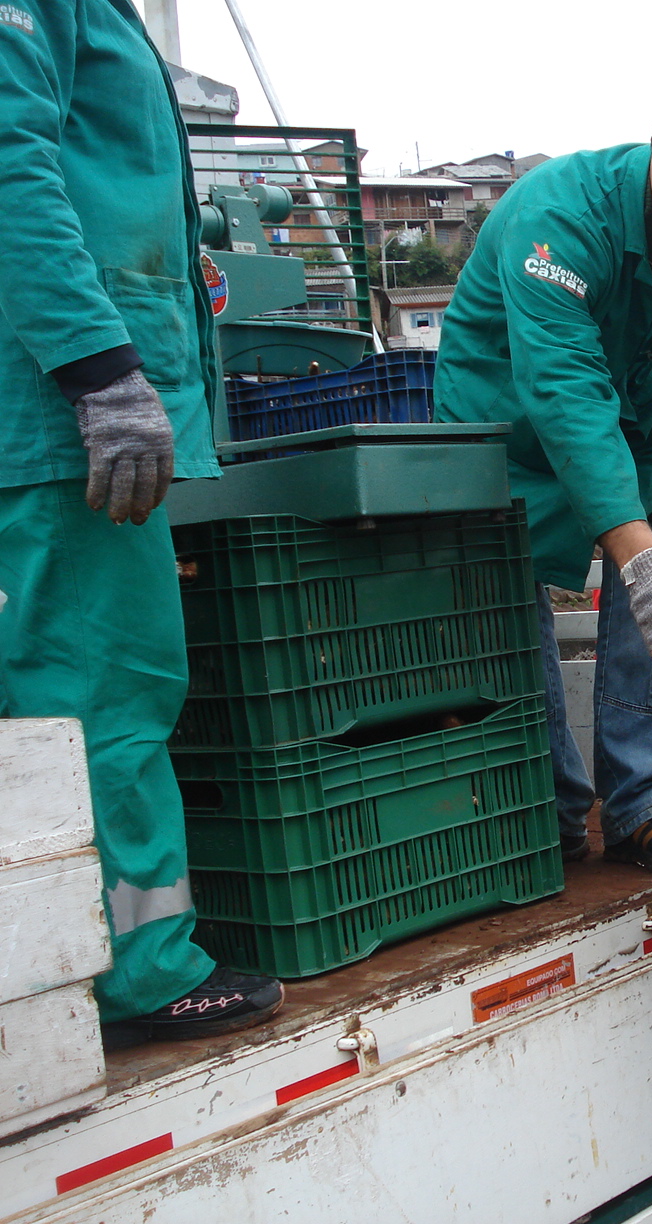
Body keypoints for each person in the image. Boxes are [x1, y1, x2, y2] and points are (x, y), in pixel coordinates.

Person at [0, 0, 282, 1044]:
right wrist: (100, 368)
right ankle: (140, 969)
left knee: (47, 691)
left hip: (45, 415)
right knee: (103, 693)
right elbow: (9, 165)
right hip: (54, 424)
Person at [435, 57, 652, 873]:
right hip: (504, 417)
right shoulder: (559, 213)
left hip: (627, 407)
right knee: (510, 598)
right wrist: (634, 555)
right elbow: (561, 388)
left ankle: (641, 802)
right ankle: (549, 807)